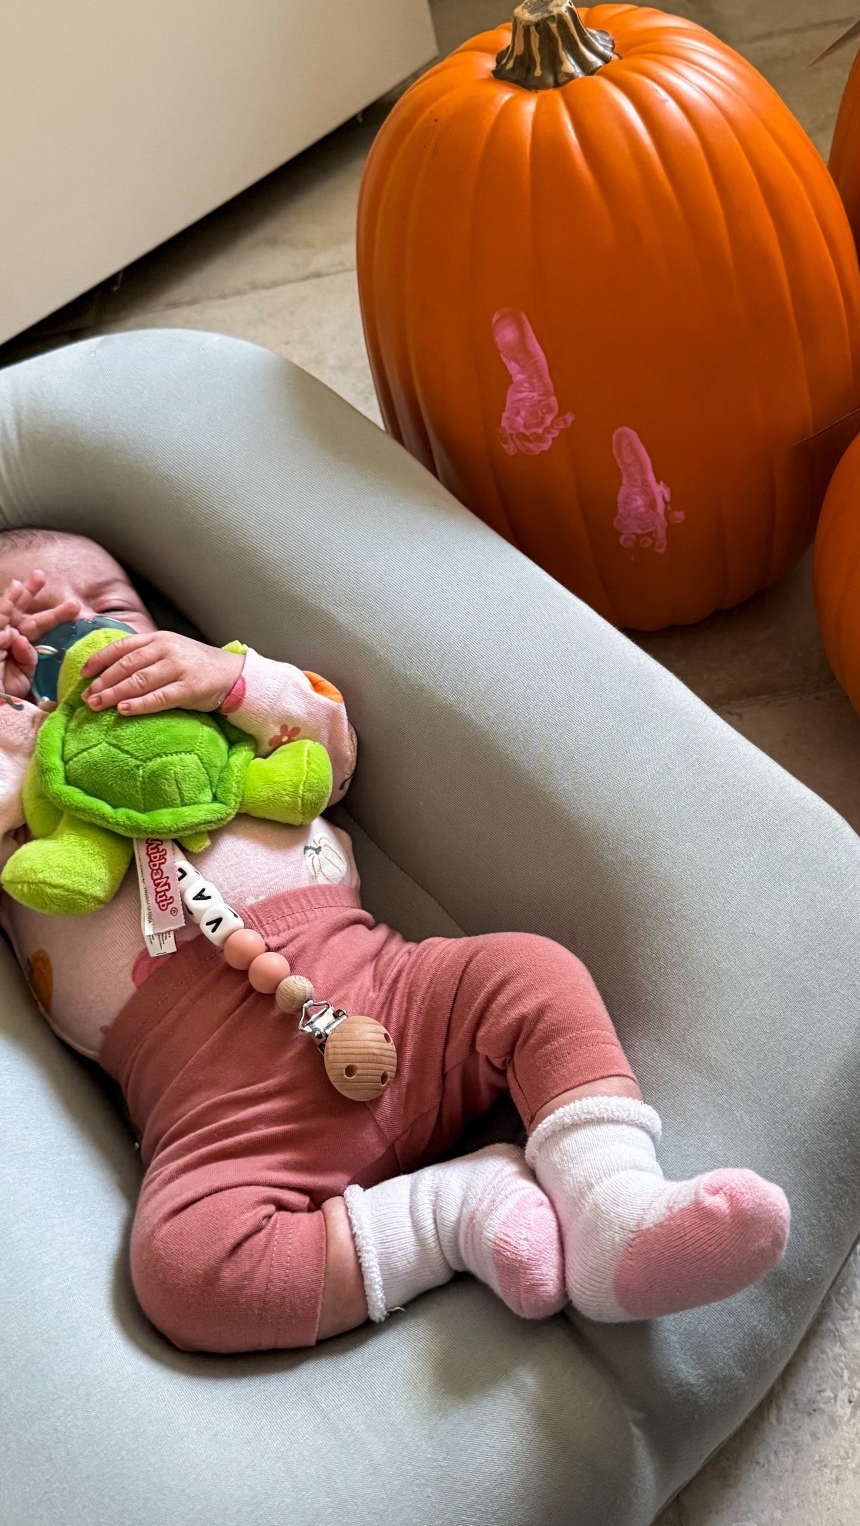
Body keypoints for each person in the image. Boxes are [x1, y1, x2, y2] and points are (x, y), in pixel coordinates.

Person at [0, 528, 790, 1353]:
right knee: (182, 1275)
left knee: (528, 972)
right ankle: (455, 1213)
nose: (72, 629)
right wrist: (17, 722)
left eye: (109, 606)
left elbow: (332, 749)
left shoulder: (219, 704)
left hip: (390, 993)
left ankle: (613, 1205)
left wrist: (232, 681)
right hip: (219, 1114)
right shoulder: (21, 801)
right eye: (19, 628)